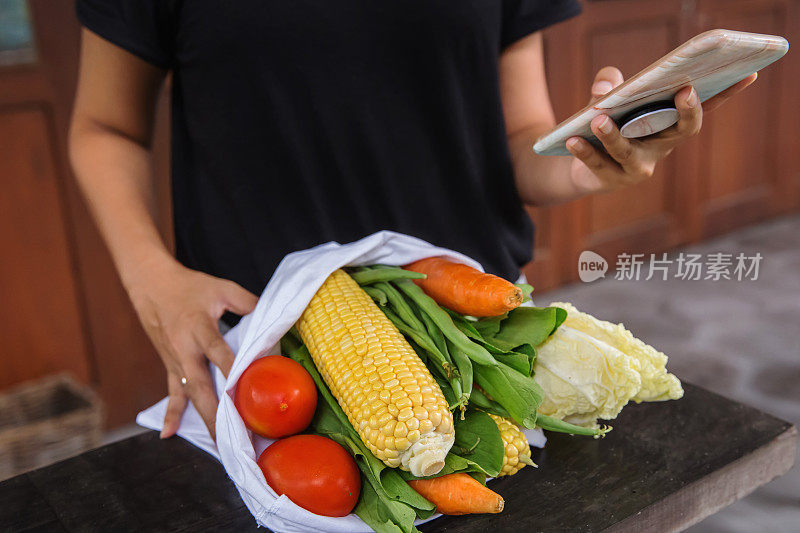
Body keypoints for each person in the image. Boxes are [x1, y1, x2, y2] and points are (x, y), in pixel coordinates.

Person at [68, 0, 755, 440]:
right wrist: (151, 277)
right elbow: (105, 128)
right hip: (272, 362)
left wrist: (583, 161)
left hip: (476, 343)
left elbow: (522, 137)